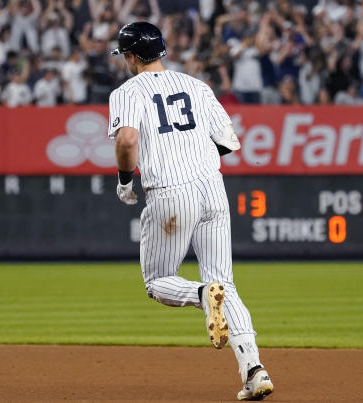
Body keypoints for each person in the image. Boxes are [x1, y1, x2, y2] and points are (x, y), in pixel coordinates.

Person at [107, 22, 274, 401]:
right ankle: (254, 370)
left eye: (124, 56)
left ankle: (201, 293)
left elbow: (128, 139)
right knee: (226, 283)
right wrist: (194, 157)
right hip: (212, 189)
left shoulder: (127, 91)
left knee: (158, 282)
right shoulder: (197, 85)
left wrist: (123, 181)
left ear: (131, 56)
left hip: (169, 193)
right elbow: (230, 141)